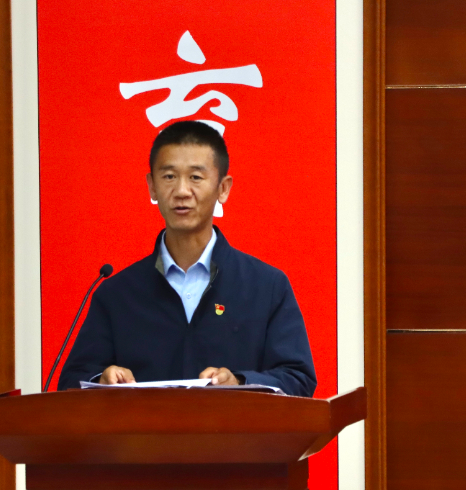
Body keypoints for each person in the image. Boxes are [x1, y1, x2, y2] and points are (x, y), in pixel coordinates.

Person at [57, 120, 317, 397]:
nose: (181, 191)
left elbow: (298, 379)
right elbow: (72, 383)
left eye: (195, 177)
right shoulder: (116, 294)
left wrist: (240, 383)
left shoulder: (266, 286)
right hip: (146, 428)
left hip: (233, 427)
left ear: (223, 188)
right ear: (152, 186)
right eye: (169, 176)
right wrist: (102, 379)